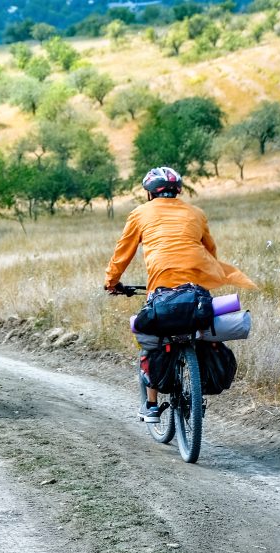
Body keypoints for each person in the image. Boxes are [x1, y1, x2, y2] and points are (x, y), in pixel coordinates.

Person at [104, 166, 256, 422]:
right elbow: (210, 251)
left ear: (150, 194)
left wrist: (112, 283)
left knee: (152, 340)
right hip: (196, 293)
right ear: (179, 191)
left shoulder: (140, 213)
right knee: (200, 329)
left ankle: (151, 407)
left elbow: (123, 254)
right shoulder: (196, 213)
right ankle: (197, 379)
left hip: (161, 291)